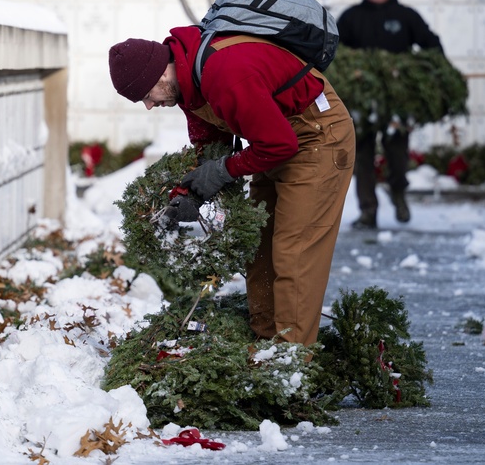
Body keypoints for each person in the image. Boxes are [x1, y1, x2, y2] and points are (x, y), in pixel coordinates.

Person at [107, 24, 355, 347]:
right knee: (259, 244)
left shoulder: (224, 72)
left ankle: (290, 366)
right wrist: (189, 193)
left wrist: (224, 171)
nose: (149, 106)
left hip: (318, 136)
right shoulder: (187, 86)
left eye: (145, 96)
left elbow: (281, 144)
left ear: (159, 75)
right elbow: (211, 147)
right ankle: (265, 343)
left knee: (293, 251)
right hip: (272, 139)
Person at [337, 0, 444, 229]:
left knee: (397, 152)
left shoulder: (405, 16)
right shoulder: (351, 17)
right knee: (362, 154)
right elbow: (336, 52)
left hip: (398, 99)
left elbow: (431, 44)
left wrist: (429, 72)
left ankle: (398, 192)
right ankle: (368, 211)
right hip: (362, 99)